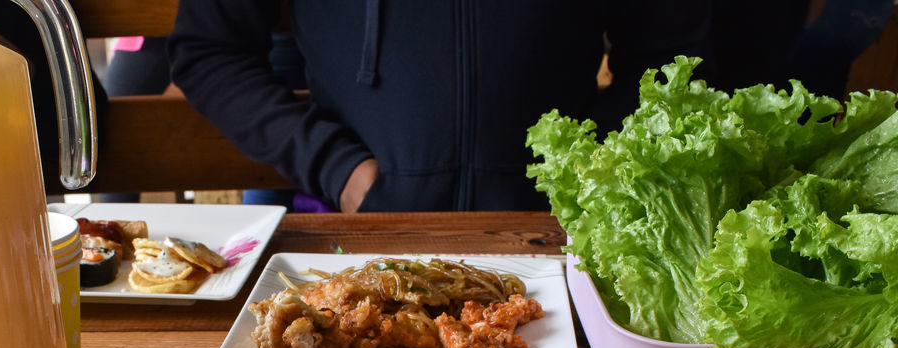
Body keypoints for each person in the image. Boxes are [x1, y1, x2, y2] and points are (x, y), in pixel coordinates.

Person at [167, 2, 714, 212]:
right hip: (364, 234)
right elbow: (209, 50)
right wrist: (338, 168)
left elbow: (671, 54)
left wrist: (588, 171)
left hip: (557, 241)